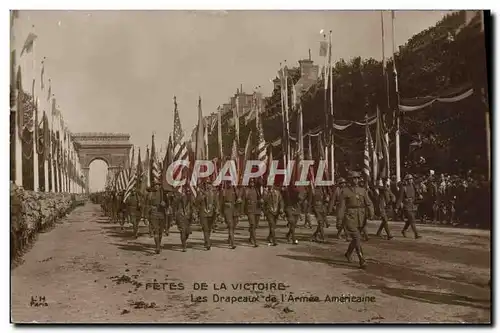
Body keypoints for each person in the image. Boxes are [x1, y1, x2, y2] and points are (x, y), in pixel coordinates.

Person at [337, 171, 374, 269]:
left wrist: (371, 212)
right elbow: (341, 207)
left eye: (357, 178)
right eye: (353, 178)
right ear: (349, 180)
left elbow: (369, 203)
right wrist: (339, 220)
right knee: (357, 238)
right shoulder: (345, 191)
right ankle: (361, 259)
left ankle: (348, 253)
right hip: (350, 217)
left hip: (361, 217)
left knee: (355, 239)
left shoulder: (363, 190)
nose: (356, 180)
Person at [396, 174, 422, 239]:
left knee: (410, 220)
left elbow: (417, 192)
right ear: (406, 180)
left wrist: (419, 195)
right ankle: (416, 234)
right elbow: (400, 198)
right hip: (406, 205)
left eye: (411, 179)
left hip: (413, 204)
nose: (410, 180)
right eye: (409, 179)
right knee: (412, 219)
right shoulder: (403, 187)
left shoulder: (413, 186)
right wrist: (397, 207)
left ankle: (403, 230)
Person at [196, 181, 218, 250]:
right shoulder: (200, 193)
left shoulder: (213, 193)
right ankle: (208, 243)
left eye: (209, 184)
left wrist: (217, 209)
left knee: (209, 228)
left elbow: (216, 202)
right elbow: (196, 202)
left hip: (211, 213)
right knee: (205, 228)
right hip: (203, 213)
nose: (208, 186)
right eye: (206, 184)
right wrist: (203, 197)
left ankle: (206, 240)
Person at [220, 180, 240, 249]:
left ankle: (230, 237)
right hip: (227, 209)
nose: (229, 184)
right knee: (231, 226)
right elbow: (220, 203)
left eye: (230, 182)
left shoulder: (235, 189)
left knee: (234, 224)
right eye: (228, 182)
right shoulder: (223, 191)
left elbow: (239, 199)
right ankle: (232, 243)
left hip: (234, 209)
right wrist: (221, 214)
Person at [147, 182, 166, 254]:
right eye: (155, 185)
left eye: (158, 185)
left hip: (161, 213)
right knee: (156, 230)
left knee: (160, 231)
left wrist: (165, 204)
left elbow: (168, 203)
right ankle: (157, 247)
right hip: (153, 213)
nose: (156, 187)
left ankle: (159, 244)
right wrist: (146, 216)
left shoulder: (163, 194)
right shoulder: (150, 194)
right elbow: (146, 204)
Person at [242, 178, 262, 247]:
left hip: (257, 209)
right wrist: (242, 211)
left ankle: (251, 237)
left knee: (255, 225)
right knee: (253, 224)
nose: (252, 183)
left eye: (253, 182)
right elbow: (243, 201)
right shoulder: (246, 190)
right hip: (249, 210)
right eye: (250, 182)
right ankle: (255, 241)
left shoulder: (257, 189)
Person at [173, 186, 194, 252]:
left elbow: (193, 206)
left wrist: (194, 214)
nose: (187, 192)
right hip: (180, 216)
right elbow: (174, 203)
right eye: (185, 191)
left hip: (188, 216)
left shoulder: (191, 198)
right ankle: (184, 245)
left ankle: (184, 240)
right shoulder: (179, 197)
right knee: (183, 231)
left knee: (187, 232)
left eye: (188, 191)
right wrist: (180, 196)